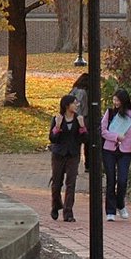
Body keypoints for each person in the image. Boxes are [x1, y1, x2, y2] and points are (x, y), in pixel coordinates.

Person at [101, 88, 131, 221]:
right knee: (111, 179)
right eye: (114, 99)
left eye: (117, 100)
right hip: (109, 150)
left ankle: (120, 204)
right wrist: (115, 137)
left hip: (125, 151)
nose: (115, 102)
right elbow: (102, 131)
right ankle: (110, 211)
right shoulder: (110, 112)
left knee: (123, 180)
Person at [48, 94, 87, 222]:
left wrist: (82, 127)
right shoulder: (57, 118)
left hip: (73, 155)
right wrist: (57, 127)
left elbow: (85, 139)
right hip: (59, 154)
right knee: (56, 183)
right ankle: (56, 205)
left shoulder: (79, 119)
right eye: (74, 103)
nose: (76, 105)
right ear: (66, 105)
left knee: (71, 184)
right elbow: (53, 139)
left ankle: (68, 212)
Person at [68, 72, 90, 170]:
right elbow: (80, 106)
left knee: (76, 143)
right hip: (83, 118)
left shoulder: (74, 90)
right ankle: (87, 164)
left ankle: (73, 166)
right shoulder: (83, 92)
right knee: (87, 141)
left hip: (73, 118)